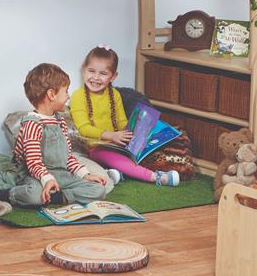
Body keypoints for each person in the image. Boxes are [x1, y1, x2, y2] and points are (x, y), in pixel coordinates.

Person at [70, 45, 179, 187]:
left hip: (115, 144)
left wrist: (134, 135)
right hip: (94, 148)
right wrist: (111, 136)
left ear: (113, 76)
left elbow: (122, 121)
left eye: (103, 73)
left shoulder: (114, 94)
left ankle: (115, 174)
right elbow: (84, 128)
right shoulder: (78, 96)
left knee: (141, 147)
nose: (95, 77)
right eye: (91, 71)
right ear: (83, 70)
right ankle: (156, 177)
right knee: (116, 158)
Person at [7, 63, 108, 208]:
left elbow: (68, 157)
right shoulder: (32, 123)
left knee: (98, 190)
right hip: (35, 175)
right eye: (66, 91)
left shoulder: (60, 121)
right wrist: (47, 179)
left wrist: (86, 175)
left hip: (60, 174)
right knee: (33, 196)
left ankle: (56, 197)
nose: (68, 96)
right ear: (51, 94)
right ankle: (9, 194)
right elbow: (33, 162)